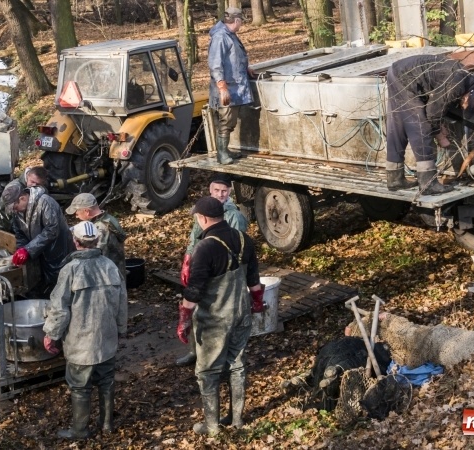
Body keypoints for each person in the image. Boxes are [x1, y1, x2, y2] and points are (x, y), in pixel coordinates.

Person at [176, 196, 264, 435]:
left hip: (215, 321)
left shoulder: (205, 247)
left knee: (208, 372)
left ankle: (212, 427)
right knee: (237, 366)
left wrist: (184, 320)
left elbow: (193, 291)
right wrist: (256, 304)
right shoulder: (244, 239)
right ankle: (236, 420)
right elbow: (254, 282)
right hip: (240, 314)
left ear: (203, 218)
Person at [43, 221, 127, 439]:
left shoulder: (70, 270)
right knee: (106, 381)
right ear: (97, 241)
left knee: (80, 387)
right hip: (106, 339)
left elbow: (59, 308)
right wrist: (120, 328)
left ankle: (80, 430)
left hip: (81, 344)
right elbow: (122, 302)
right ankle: (106, 424)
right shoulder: (110, 266)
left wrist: (51, 334)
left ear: (75, 242)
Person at [385, 54, 474, 195]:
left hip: (397, 72)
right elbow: (432, 112)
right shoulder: (456, 85)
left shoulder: (466, 79)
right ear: (467, 98)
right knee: (421, 128)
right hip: (405, 78)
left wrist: (440, 125)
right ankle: (428, 183)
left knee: (398, 127)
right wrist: (441, 137)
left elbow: (438, 105)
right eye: (463, 106)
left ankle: (394, 179)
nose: (461, 107)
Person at [176, 174, 248, 367]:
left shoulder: (234, 216)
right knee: (196, 311)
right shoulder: (204, 208)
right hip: (201, 264)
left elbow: (239, 246)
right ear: (210, 190)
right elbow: (195, 236)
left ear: (230, 192)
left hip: (220, 271)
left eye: (224, 191)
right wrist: (188, 258)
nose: (220, 194)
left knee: (217, 317)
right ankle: (194, 350)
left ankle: (220, 358)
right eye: (216, 190)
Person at [5, 186, 74, 297]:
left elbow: (52, 230)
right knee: (44, 288)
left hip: (59, 253)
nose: (14, 210)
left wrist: (28, 249)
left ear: (22, 198)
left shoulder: (45, 202)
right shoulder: (17, 213)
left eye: (15, 206)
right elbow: (20, 233)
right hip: (39, 253)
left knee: (61, 287)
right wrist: (21, 249)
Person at [208, 7, 254, 165]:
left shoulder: (229, 34)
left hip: (235, 86)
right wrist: (222, 87)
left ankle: (225, 151)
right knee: (226, 120)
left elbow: (232, 57)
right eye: (241, 22)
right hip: (228, 88)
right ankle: (222, 154)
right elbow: (215, 64)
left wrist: (245, 67)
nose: (241, 25)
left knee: (230, 120)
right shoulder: (221, 37)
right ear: (237, 21)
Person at [65, 193, 127, 280]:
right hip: (116, 271)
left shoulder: (100, 229)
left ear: (86, 211)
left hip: (109, 278)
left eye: (77, 212)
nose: (76, 216)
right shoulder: (109, 219)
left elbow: (97, 257)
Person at [0, 166, 50, 232]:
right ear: (27, 176)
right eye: (32, 181)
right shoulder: (13, 189)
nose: (34, 185)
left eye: (38, 184)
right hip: (5, 226)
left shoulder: (41, 189)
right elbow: (5, 215)